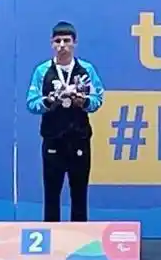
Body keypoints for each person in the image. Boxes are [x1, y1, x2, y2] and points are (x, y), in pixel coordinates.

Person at [26, 22, 105, 222]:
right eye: (58, 41)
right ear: (52, 44)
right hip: (53, 139)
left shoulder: (86, 70)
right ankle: (52, 243)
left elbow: (98, 99)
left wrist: (82, 101)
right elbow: (31, 103)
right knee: (51, 194)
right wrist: (50, 101)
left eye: (67, 41)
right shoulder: (42, 71)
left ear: (74, 43)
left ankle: (79, 243)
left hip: (79, 138)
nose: (62, 45)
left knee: (79, 193)